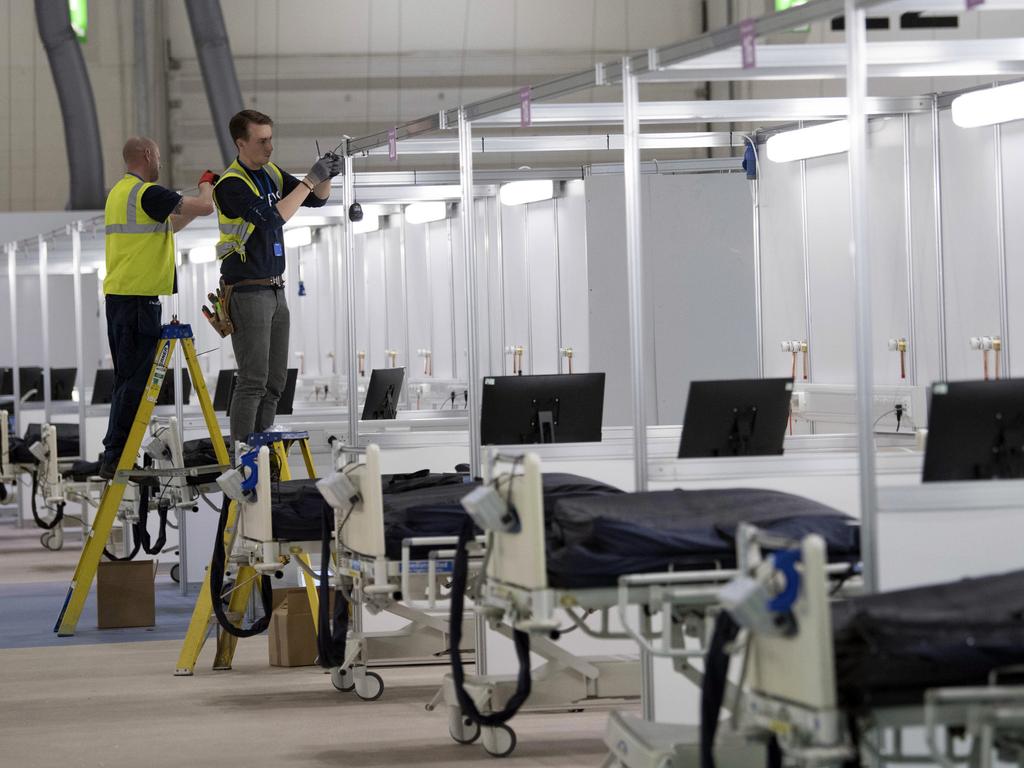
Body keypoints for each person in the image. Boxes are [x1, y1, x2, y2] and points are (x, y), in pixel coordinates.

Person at [213, 109, 340, 447]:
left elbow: (314, 199)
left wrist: (325, 175)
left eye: (271, 138)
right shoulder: (231, 185)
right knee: (253, 379)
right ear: (241, 143)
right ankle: (243, 455)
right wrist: (310, 179)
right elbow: (272, 219)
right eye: (262, 140)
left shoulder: (269, 171)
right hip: (248, 291)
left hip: (275, 290)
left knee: (275, 382)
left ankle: (264, 444)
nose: (270, 147)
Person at [100, 137, 217, 479]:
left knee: (126, 379)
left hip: (121, 298)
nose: (161, 165)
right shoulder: (147, 193)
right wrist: (206, 186)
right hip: (139, 299)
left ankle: (114, 452)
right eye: (160, 158)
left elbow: (170, 224)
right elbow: (206, 207)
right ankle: (117, 457)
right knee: (136, 381)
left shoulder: (120, 195)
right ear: (149, 155)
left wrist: (191, 207)